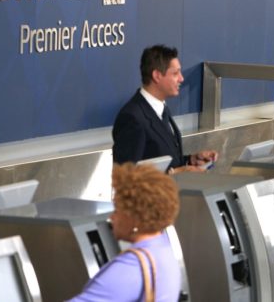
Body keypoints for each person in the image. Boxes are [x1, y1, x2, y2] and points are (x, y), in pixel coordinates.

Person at [69, 163, 181, 301]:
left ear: (134, 217)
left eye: (117, 210)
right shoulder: (163, 248)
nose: (111, 217)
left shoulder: (132, 267)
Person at [112, 45, 218, 172]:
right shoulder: (132, 118)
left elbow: (163, 162)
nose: (181, 78)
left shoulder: (161, 109)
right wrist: (178, 173)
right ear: (157, 75)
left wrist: (191, 160)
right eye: (175, 73)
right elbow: (127, 180)